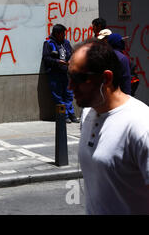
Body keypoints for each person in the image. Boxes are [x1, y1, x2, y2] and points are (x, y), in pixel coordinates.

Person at [68, 39, 149, 214]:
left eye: (78, 78)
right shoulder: (87, 113)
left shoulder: (141, 124)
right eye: (69, 76)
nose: (70, 86)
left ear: (106, 78)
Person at [42, 24, 79, 123]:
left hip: (66, 73)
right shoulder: (49, 43)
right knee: (58, 95)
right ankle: (64, 115)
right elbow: (46, 58)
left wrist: (71, 60)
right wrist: (57, 62)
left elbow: (71, 53)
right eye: (62, 34)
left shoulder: (66, 43)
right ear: (57, 34)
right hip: (54, 74)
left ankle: (71, 114)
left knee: (68, 94)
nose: (64, 36)